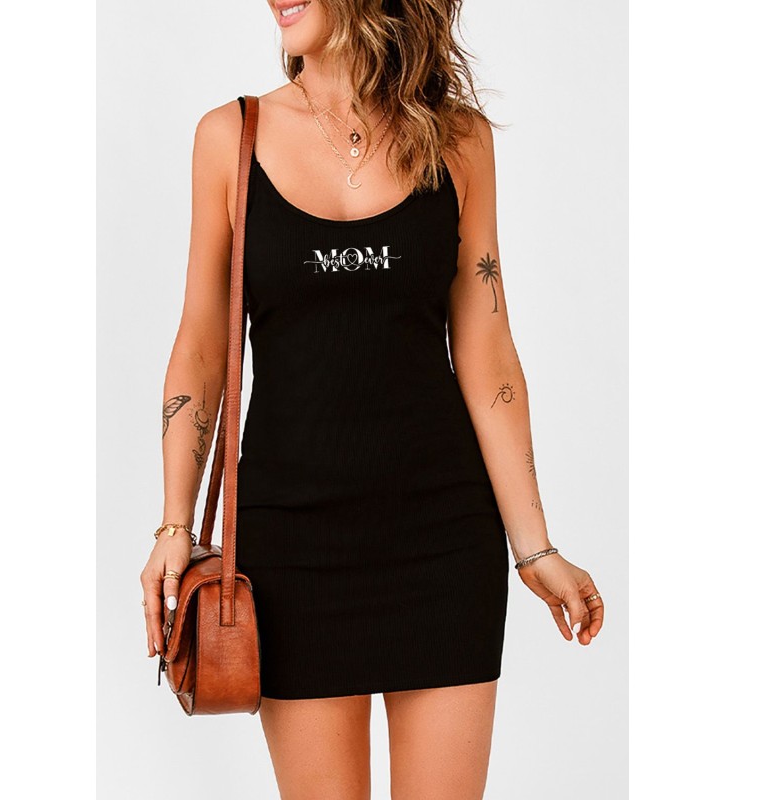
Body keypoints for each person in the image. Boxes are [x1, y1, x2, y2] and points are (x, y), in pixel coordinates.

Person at [140, 1, 605, 797]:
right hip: (290, 552)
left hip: (443, 544)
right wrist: (175, 526)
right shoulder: (231, 137)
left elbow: (488, 351)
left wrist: (535, 547)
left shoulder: (458, 140)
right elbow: (201, 347)